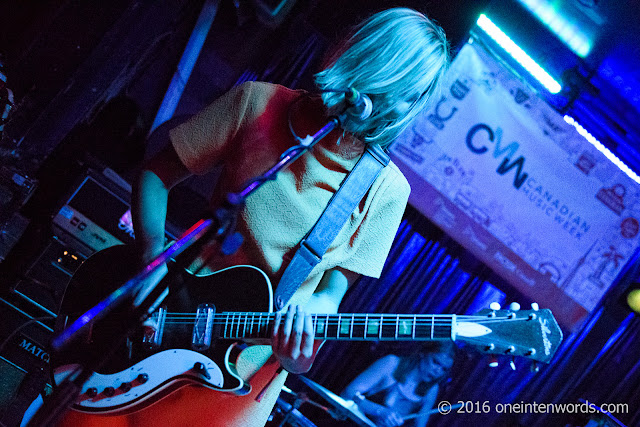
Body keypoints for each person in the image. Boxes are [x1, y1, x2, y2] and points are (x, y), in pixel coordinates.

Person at [53, 7, 448, 427]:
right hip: (156, 321)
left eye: (416, 96)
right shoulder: (258, 103)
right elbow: (155, 174)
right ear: (374, 67)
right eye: (407, 90)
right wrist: (150, 261)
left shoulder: (387, 190)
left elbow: (331, 296)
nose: (407, 107)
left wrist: (304, 333)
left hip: (235, 388)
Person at [341, 342, 456, 427]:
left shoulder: (431, 389)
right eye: (435, 362)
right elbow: (347, 394)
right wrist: (380, 411)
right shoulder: (391, 363)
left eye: (444, 369)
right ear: (423, 353)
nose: (438, 371)